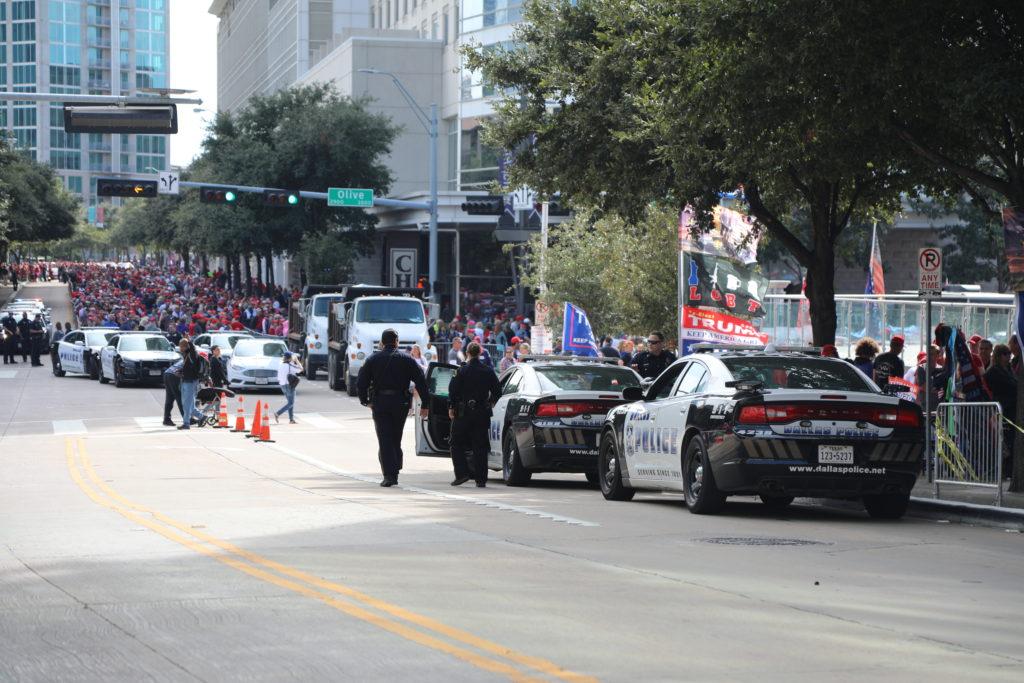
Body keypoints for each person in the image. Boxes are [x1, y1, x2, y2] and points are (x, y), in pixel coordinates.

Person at [357, 329, 429, 487]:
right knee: (396, 437)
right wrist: (426, 404)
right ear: (397, 341)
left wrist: (365, 401)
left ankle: (390, 474)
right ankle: (395, 467)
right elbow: (421, 381)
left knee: (385, 438)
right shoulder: (407, 360)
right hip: (400, 403)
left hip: (380, 403)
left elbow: (361, 382)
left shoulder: (372, 359)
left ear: (382, 343)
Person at [448, 342, 501, 487]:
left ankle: (461, 474)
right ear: (480, 353)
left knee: (456, 443)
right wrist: (490, 402)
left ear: (467, 353)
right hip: (482, 413)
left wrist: (451, 407)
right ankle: (481, 479)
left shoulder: (461, 371)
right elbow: (498, 391)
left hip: (463, 413)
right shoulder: (488, 370)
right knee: (480, 446)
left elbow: (452, 390)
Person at [984, 344, 1016, 476]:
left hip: (1010, 409)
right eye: (1007, 354)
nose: (1009, 356)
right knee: (1006, 442)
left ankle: (1008, 470)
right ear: (1001, 355)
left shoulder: (1008, 369)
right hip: (1003, 410)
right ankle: (1005, 471)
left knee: (1010, 441)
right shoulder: (994, 371)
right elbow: (1012, 386)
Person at [177, 338, 202, 430]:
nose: (179, 348)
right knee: (189, 405)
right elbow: (188, 368)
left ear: (185, 346)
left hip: (191, 382)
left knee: (187, 404)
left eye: (180, 346)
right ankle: (202, 417)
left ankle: (186, 423)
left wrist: (189, 341)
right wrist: (180, 371)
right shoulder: (186, 354)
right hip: (185, 381)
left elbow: (193, 350)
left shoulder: (192, 354)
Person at [275, 351, 302, 424]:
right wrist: (296, 360)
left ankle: (291, 419)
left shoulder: (280, 364)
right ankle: (278, 413)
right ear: (290, 358)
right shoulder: (290, 366)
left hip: (282, 386)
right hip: (289, 386)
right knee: (291, 403)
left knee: (290, 402)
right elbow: (300, 369)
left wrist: (292, 360)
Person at [162, 359, 184, 427]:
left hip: (167, 373)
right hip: (174, 375)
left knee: (170, 398)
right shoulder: (192, 359)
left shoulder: (184, 358)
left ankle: (166, 419)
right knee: (180, 398)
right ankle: (187, 418)